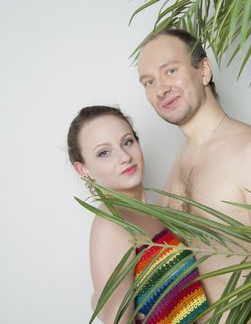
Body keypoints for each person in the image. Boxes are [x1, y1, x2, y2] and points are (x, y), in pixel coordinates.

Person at [137, 29, 251, 320]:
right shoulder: (179, 161)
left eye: (170, 71)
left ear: (203, 70)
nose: (160, 88)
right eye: (149, 82)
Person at [67, 105, 208, 324]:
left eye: (127, 142)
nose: (124, 157)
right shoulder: (111, 225)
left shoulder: (153, 212)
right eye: (104, 152)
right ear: (83, 169)